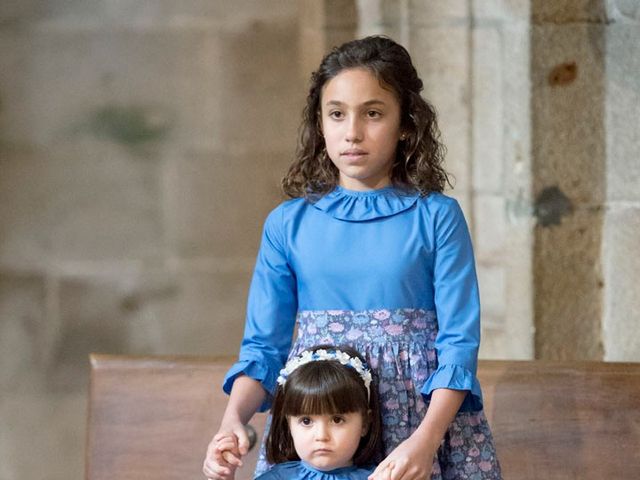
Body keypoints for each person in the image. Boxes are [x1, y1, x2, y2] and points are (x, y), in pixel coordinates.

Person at [202, 35, 502, 480]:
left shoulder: (437, 216)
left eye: (373, 113)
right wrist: (233, 420)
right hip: (319, 422)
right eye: (337, 114)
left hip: (417, 425)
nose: (352, 132)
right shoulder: (288, 224)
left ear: (405, 124)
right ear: (320, 123)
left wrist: (425, 440)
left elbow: (458, 347)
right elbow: (263, 348)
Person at [246, 345, 382, 479]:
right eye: (306, 421)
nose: (321, 436)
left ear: (364, 423)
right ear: (289, 425)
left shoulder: (381, 477)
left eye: (337, 420)